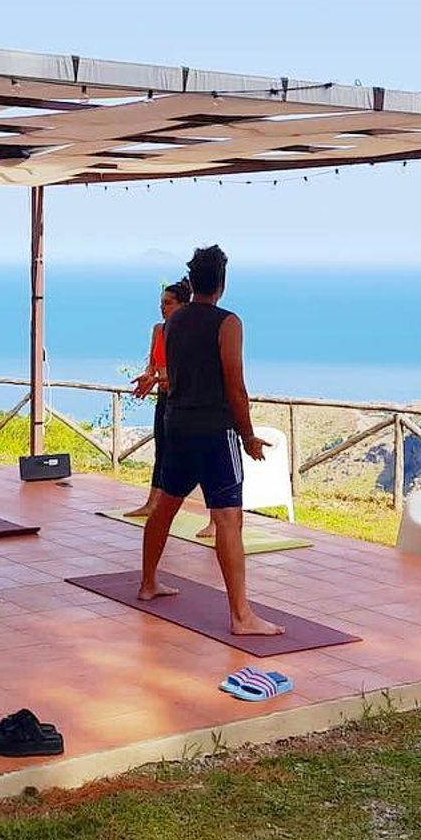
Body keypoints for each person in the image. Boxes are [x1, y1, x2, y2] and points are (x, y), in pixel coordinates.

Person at [137, 245, 284, 637]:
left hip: (177, 424)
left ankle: (148, 583)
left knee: (166, 507)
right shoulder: (228, 322)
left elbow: (173, 373)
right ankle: (241, 616)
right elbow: (235, 385)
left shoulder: (174, 322)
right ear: (221, 283)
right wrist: (248, 435)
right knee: (228, 519)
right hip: (215, 431)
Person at [123, 278, 191, 522]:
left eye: (168, 303)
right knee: (161, 450)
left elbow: (186, 374)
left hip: (182, 398)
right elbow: (153, 364)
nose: (163, 308)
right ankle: (151, 503)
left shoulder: (188, 333)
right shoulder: (159, 330)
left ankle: (215, 518)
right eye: (161, 303)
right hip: (164, 396)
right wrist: (148, 377)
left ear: (183, 305)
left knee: (190, 453)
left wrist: (158, 380)